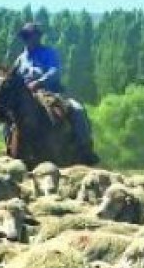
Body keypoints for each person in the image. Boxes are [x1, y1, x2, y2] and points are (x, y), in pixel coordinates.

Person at [9, 22, 97, 163]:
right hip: (26, 96)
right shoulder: (20, 59)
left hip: (49, 92)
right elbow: (13, 77)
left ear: (38, 37)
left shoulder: (49, 53)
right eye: (25, 36)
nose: (28, 39)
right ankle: (9, 148)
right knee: (8, 117)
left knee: (77, 109)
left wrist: (39, 82)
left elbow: (55, 71)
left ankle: (85, 149)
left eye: (30, 36)